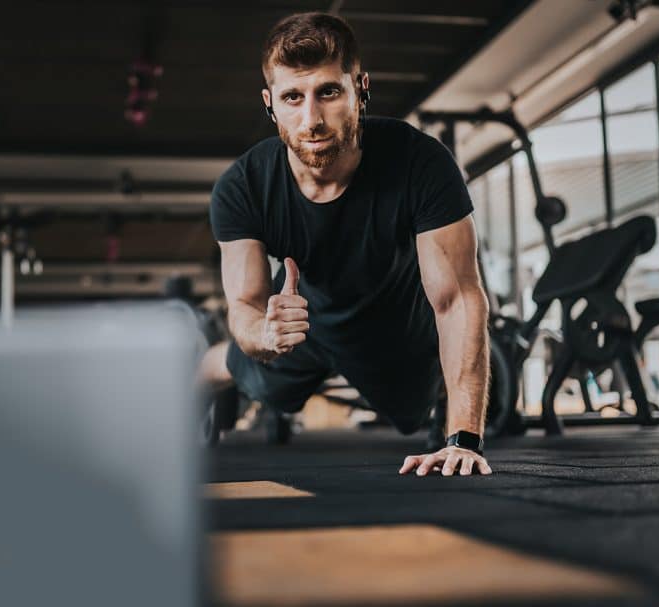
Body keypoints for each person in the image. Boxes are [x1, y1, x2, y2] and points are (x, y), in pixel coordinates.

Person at [198, 12, 493, 476]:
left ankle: (439, 400)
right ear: (269, 102)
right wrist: (266, 333)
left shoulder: (421, 163)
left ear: (361, 88)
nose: (311, 119)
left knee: (415, 407)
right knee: (234, 363)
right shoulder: (244, 186)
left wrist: (464, 438)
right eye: (292, 97)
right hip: (304, 320)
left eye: (328, 92)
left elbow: (457, 301)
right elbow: (245, 307)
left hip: (392, 322)